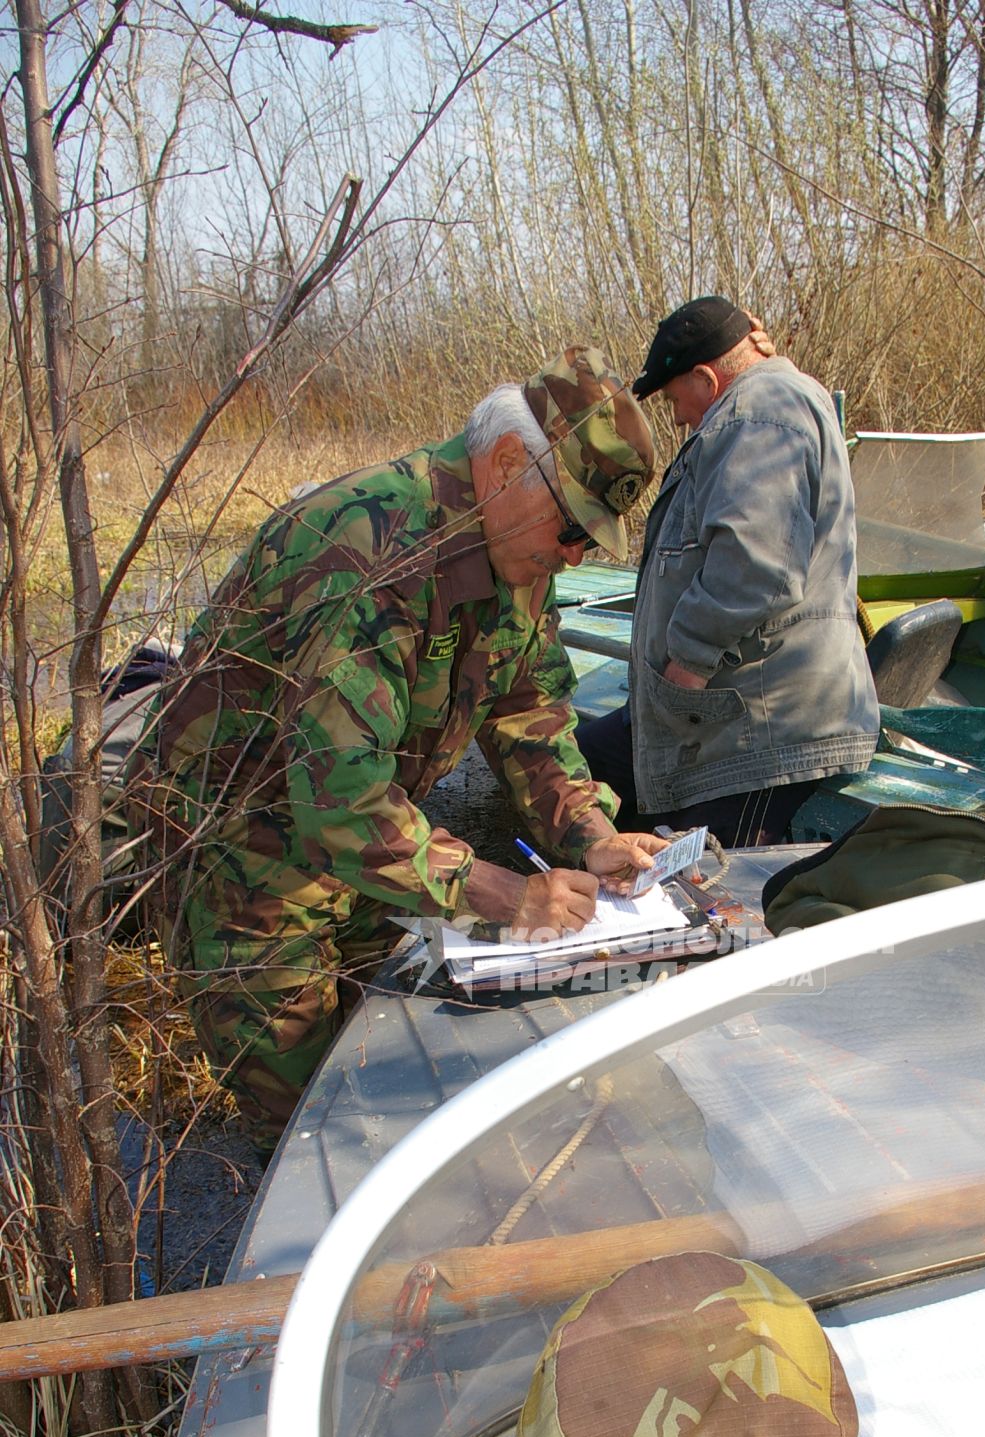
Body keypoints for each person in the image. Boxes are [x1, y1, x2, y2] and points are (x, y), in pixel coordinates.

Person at [133, 347, 665, 1155]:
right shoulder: (365, 551)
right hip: (247, 866)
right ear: (507, 463)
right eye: (571, 530)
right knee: (314, 1136)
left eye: (589, 542)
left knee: (395, 1075)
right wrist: (505, 893)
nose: (573, 557)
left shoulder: (515, 545)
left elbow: (529, 712)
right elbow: (339, 800)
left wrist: (589, 836)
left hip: (365, 859)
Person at [576, 297, 879, 845]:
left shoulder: (759, 410)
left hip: (759, 732)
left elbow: (755, 561)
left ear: (705, 378)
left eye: (675, 398)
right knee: (586, 766)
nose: (677, 416)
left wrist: (688, 659)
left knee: (714, 896)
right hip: (728, 716)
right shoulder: (778, 403)